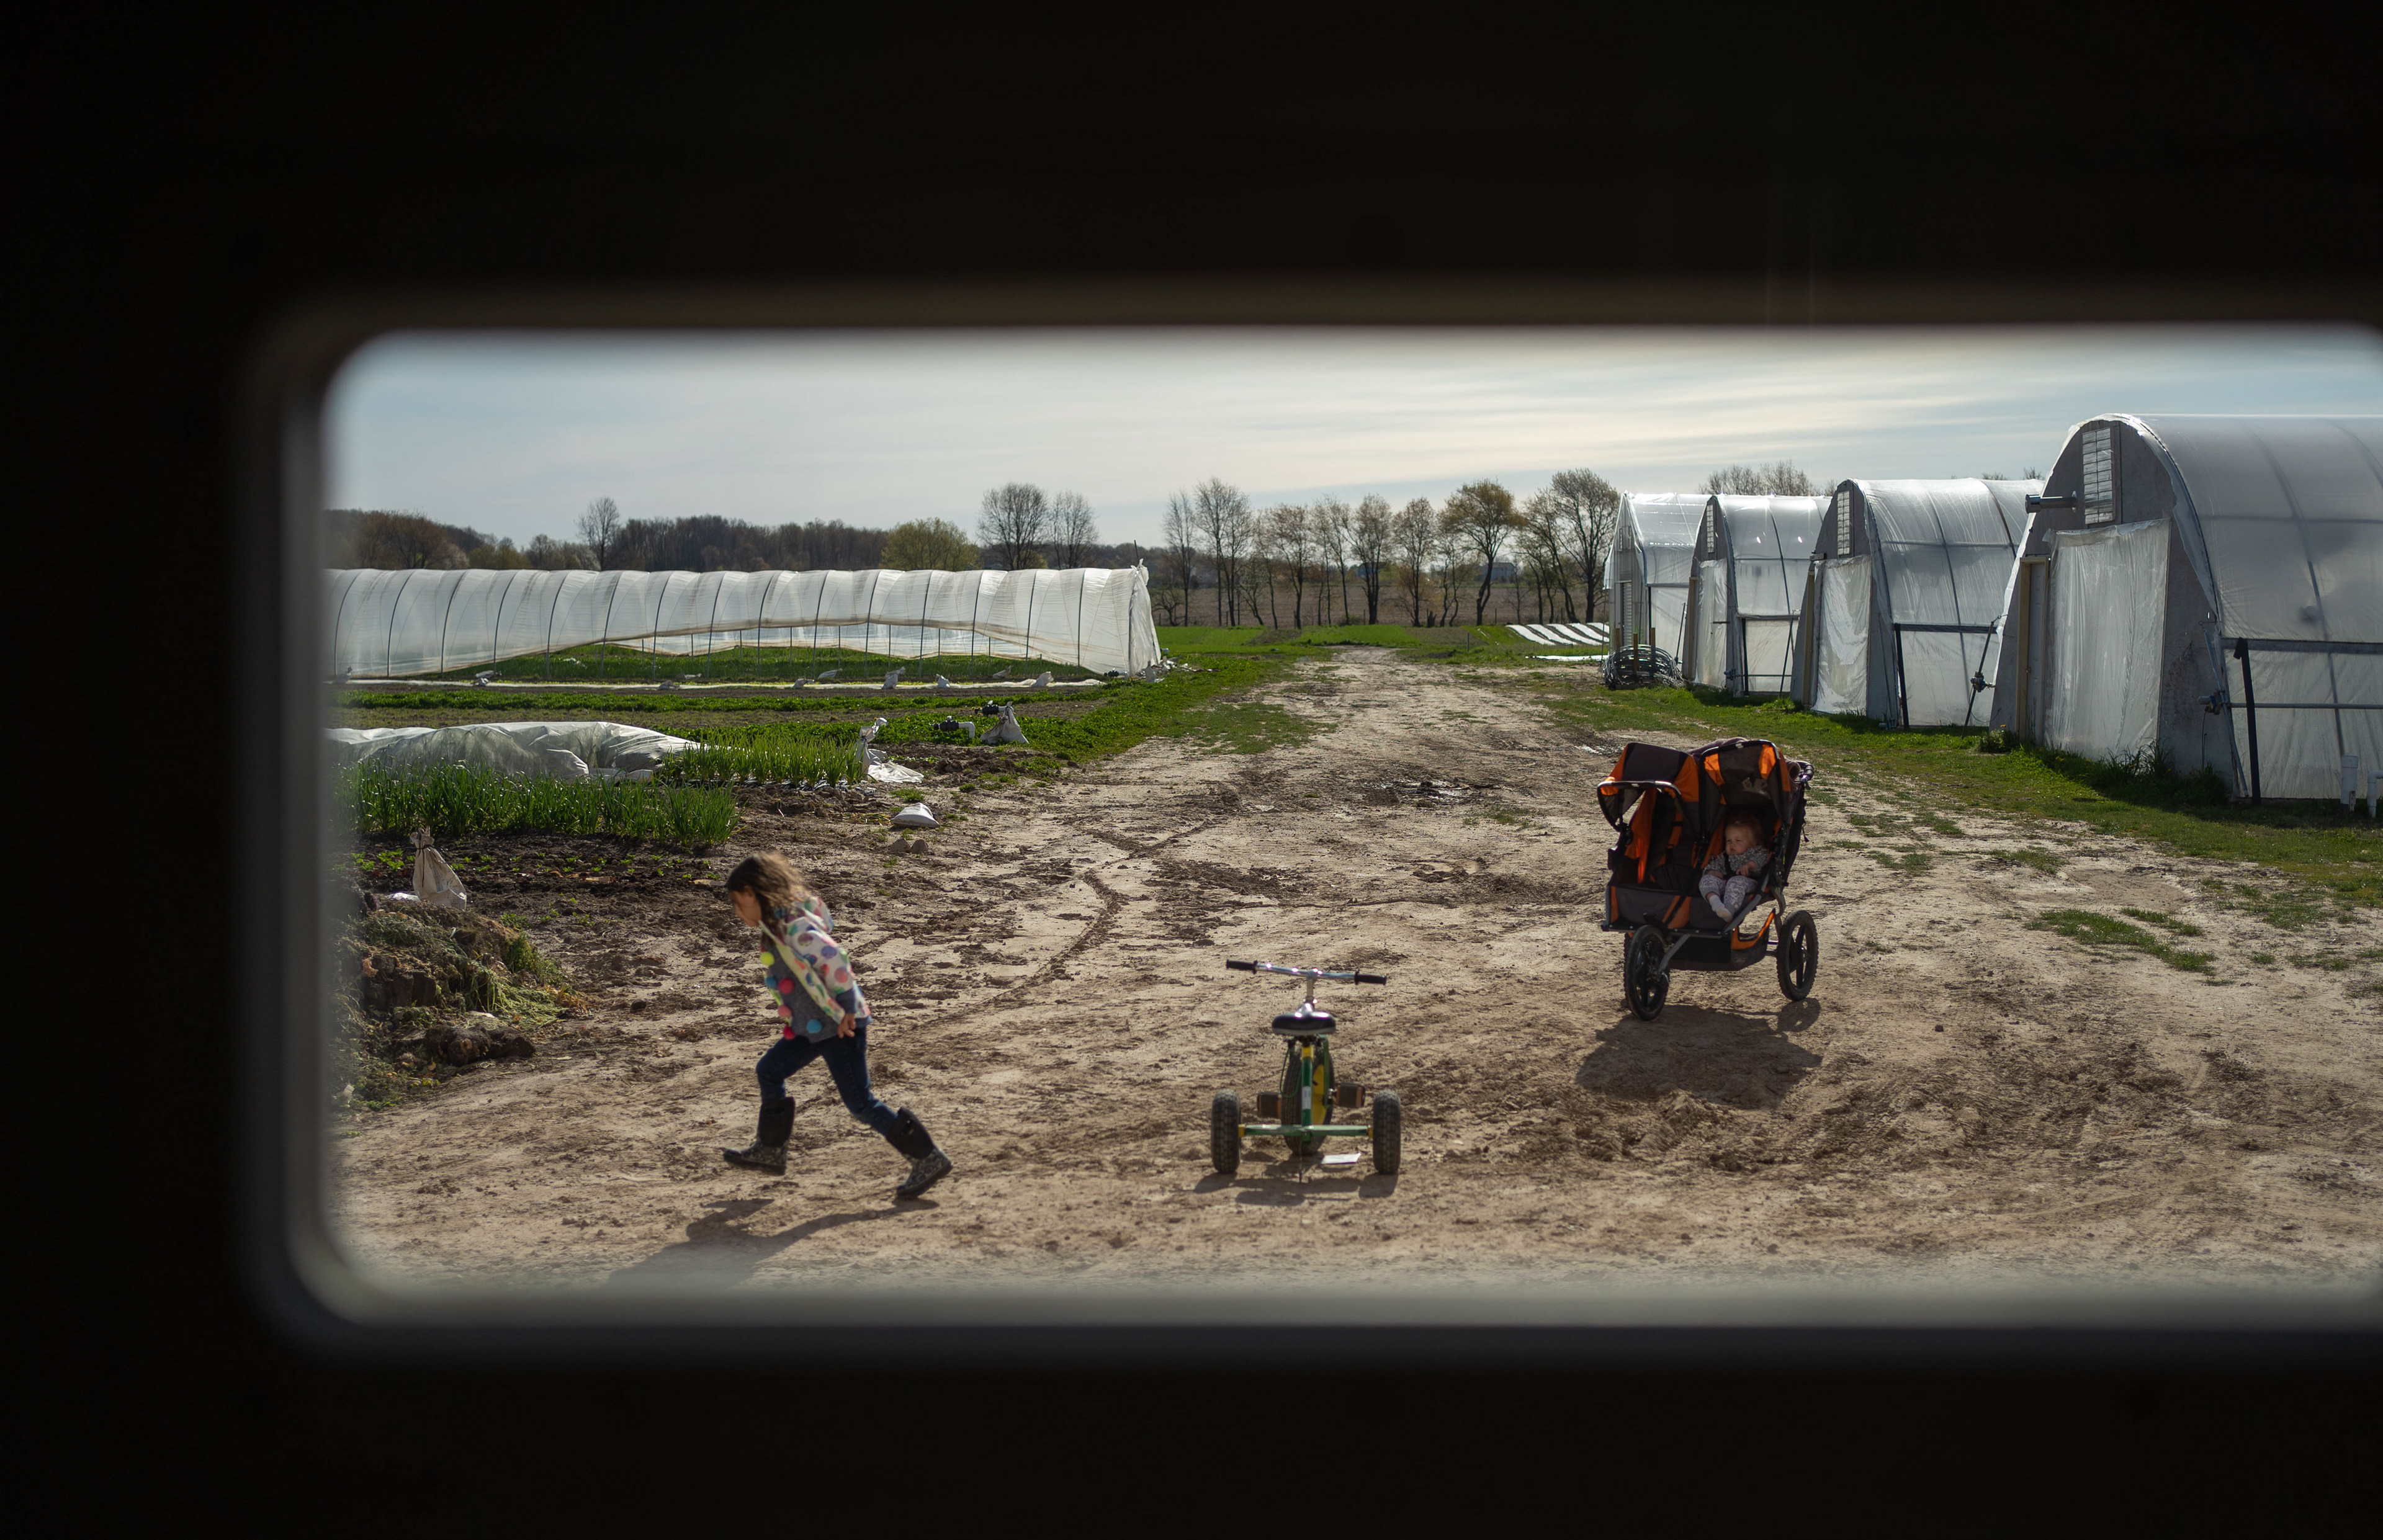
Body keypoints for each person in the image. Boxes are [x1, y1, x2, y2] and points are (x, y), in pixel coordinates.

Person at [717, 852, 952, 1199]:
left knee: (861, 1104)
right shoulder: (777, 926)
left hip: (841, 1027)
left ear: (752, 894)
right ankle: (770, 1149)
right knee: (770, 1070)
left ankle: (929, 1158)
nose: (738, 913)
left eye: (738, 904)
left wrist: (847, 1010)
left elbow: (835, 960)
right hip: (811, 1029)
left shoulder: (795, 927)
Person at [1698, 813, 1772, 923]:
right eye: (1729, 841)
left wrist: (1750, 865)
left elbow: (1762, 859)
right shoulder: (1725, 857)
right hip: (1726, 883)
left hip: (1748, 883)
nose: (1732, 844)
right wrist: (1712, 871)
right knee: (1706, 879)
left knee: (1736, 881)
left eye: (1738, 841)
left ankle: (1729, 910)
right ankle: (1715, 902)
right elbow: (1714, 865)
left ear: (1752, 843)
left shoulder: (1756, 851)